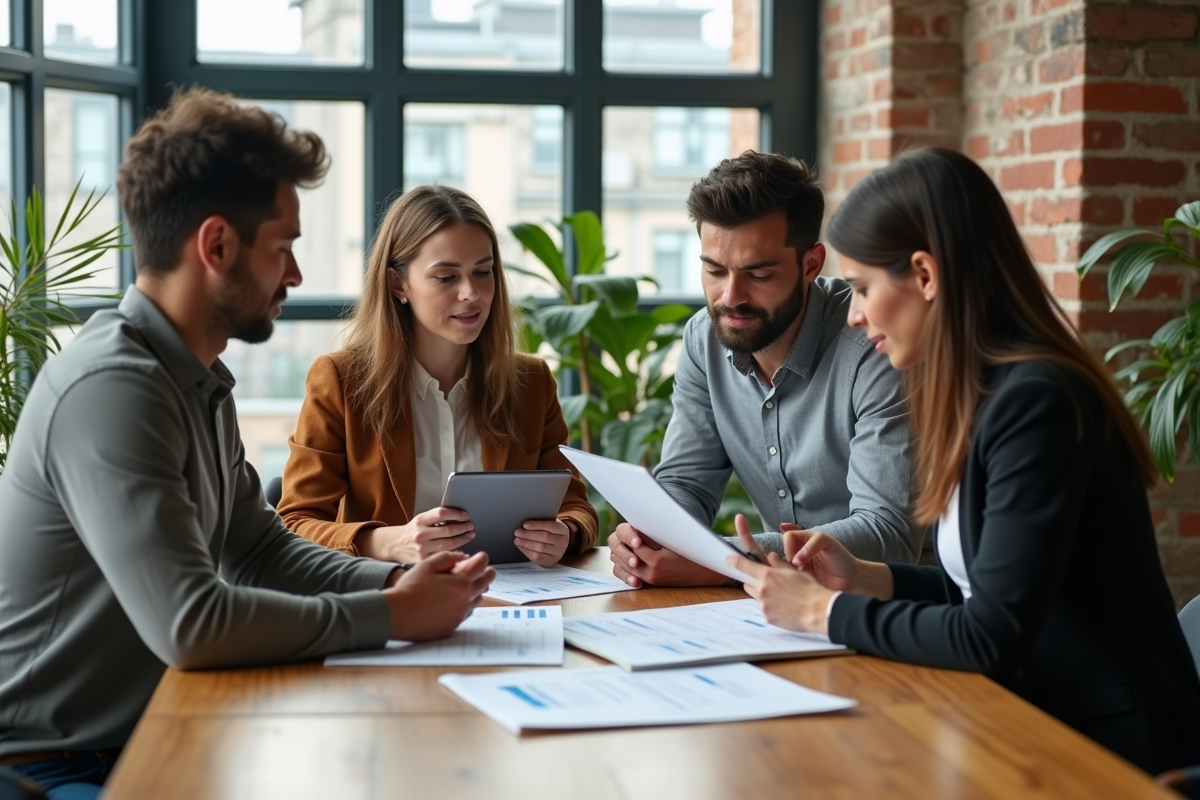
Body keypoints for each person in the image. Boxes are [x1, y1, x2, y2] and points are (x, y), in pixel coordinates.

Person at [0, 88, 494, 799]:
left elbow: (257, 550)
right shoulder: (112, 388)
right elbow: (192, 623)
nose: (294, 274)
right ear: (217, 246)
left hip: (162, 726)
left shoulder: (195, 378)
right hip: (55, 767)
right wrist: (392, 613)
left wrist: (399, 584)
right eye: (284, 248)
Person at [727, 147, 1200, 774]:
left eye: (865, 287)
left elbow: (991, 635)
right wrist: (865, 578)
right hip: (1038, 716)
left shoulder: (1039, 403)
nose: (855, 312)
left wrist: (824, 612)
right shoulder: (986, 395)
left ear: (925, 275)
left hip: (1115, 751)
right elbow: (982, 587)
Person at [609, 151, 919, 588]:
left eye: (758, 274)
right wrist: (650, 536)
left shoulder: (877, 339)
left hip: (897, 610)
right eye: (714, 270)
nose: (730, 297)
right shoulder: (704, 337)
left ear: (811, 264)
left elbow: (888, 534)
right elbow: (687, 483)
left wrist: (726, 559)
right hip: (779, 608)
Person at [277, 184, 598, 567]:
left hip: (509, 594)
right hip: (392, 601)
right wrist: (386, 542)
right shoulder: (341, 381)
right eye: (446, 277)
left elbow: (576, 505)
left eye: (483, 272)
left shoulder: (531, 382)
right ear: (399, 284)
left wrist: (565, 531)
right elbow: (295, 524)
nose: (471, 293)